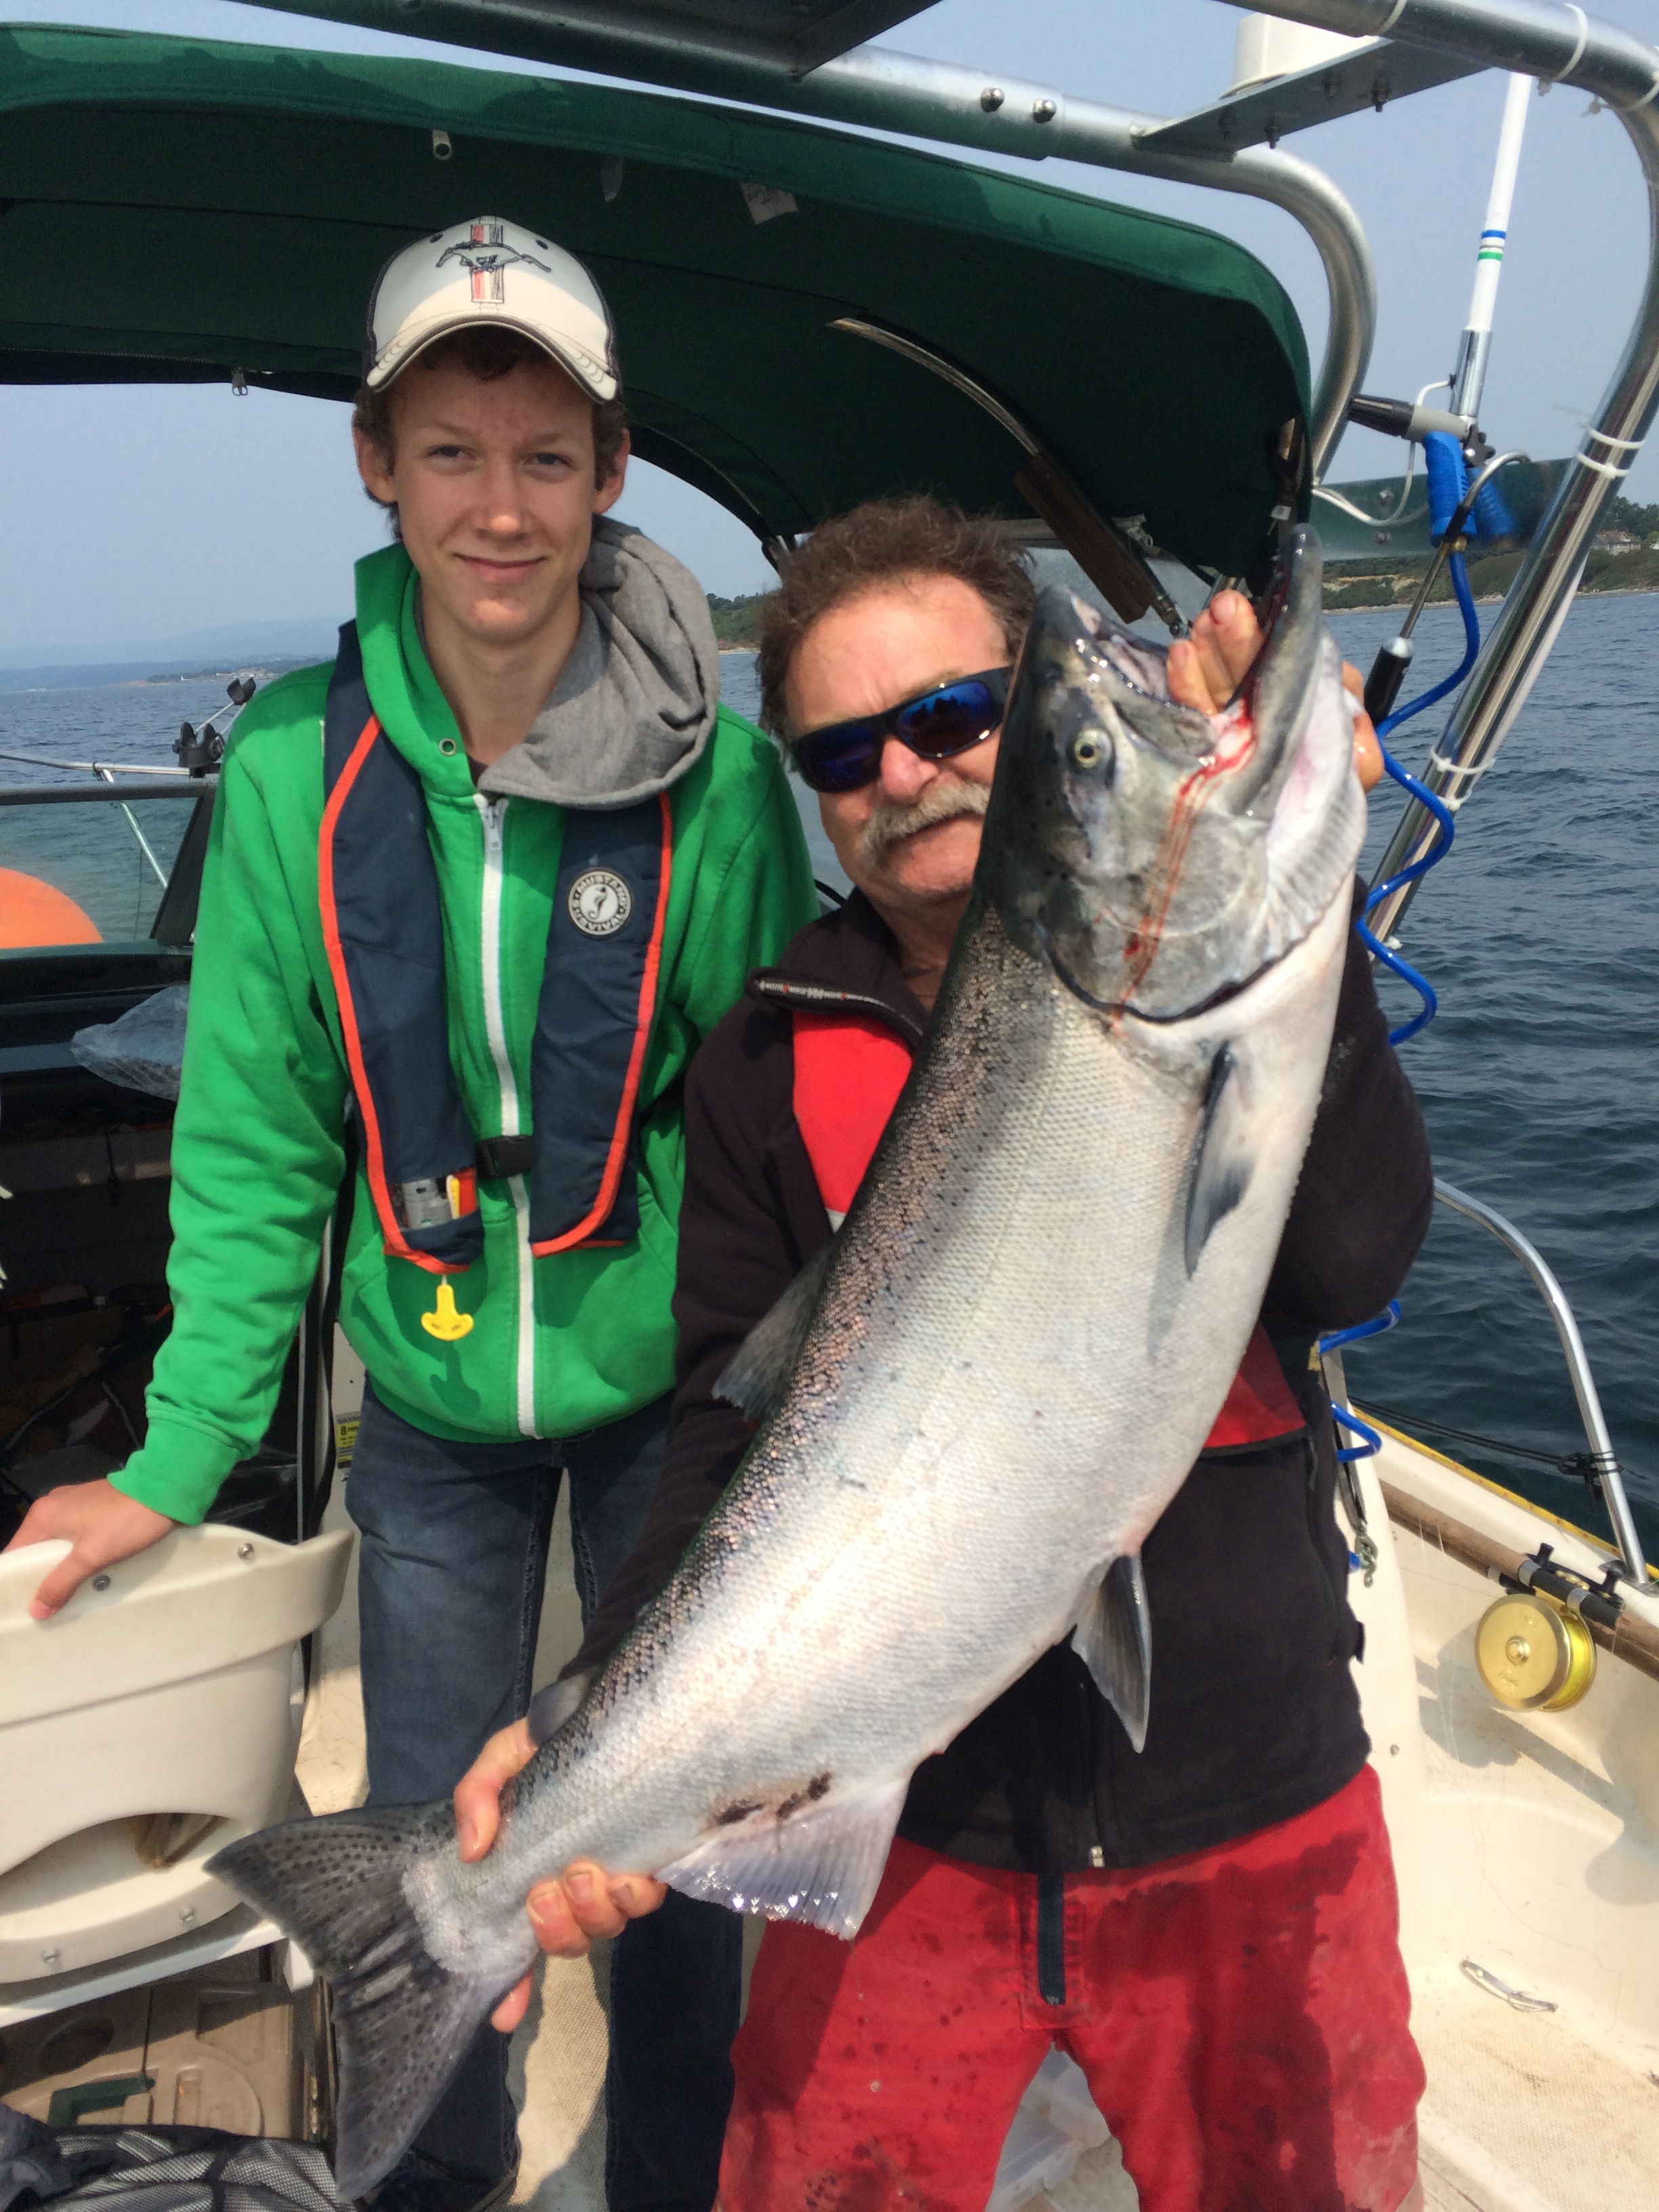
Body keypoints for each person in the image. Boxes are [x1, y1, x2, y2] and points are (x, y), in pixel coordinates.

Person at [457, 496, 1434, 2211]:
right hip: (907, 1819)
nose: (907, 773)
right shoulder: (768, 1057)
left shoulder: (1225, 1006)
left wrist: (1299, 901)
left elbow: (1353, 1254)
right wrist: (584, 1725)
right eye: (847, 751)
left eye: (963, 720)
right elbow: (725, 1449)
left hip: (1245, 1775)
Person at [3, 218, 817, 2212]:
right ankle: (437, 2183)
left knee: (683, 1862)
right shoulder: (294, 761)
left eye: (547, 457)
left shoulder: (714, 784)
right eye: (452, 452)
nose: (501, 506)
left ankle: (680, 2178)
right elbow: (261, 1136)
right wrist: (178, 1450)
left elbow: (777, 1124)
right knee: (431, 1872)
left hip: (665, 1403)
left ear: (614, 476)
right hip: (436, 1417)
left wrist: (763, 1425)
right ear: (378, 464)